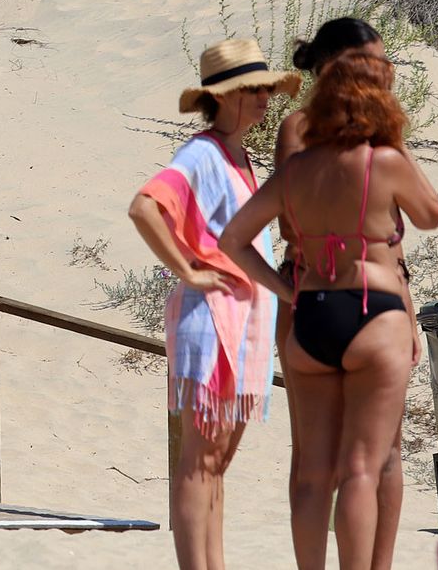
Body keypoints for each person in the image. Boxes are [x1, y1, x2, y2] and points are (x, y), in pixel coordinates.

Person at [221, 50, 438, 570]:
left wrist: (287, 289)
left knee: (344, 463)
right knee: (347, 463)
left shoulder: (324, 158)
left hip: (330, 301)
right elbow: (426, 213)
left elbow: (235, 238)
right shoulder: (350, 147)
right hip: (345, 296)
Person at [127, 37, 297, 570]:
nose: (266, 99)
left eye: (268, 90)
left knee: (217, 462)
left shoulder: (240, 156)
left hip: (243, 321)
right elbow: (145, 207)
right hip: (212, 320)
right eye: (254, 91)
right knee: (201, 461)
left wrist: (283, 290)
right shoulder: (202, 152)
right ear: (222, 97)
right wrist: (189, 270)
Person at [274, 18, 412, 568]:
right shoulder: (300, 125)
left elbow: (396, 231)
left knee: (387, 452)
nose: (381, 73)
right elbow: (288, 220)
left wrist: (404, 303)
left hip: (381, 294)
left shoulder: (380, 128)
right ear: (340, 64)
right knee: (314, 457)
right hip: (311, 286)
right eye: (371, 62)